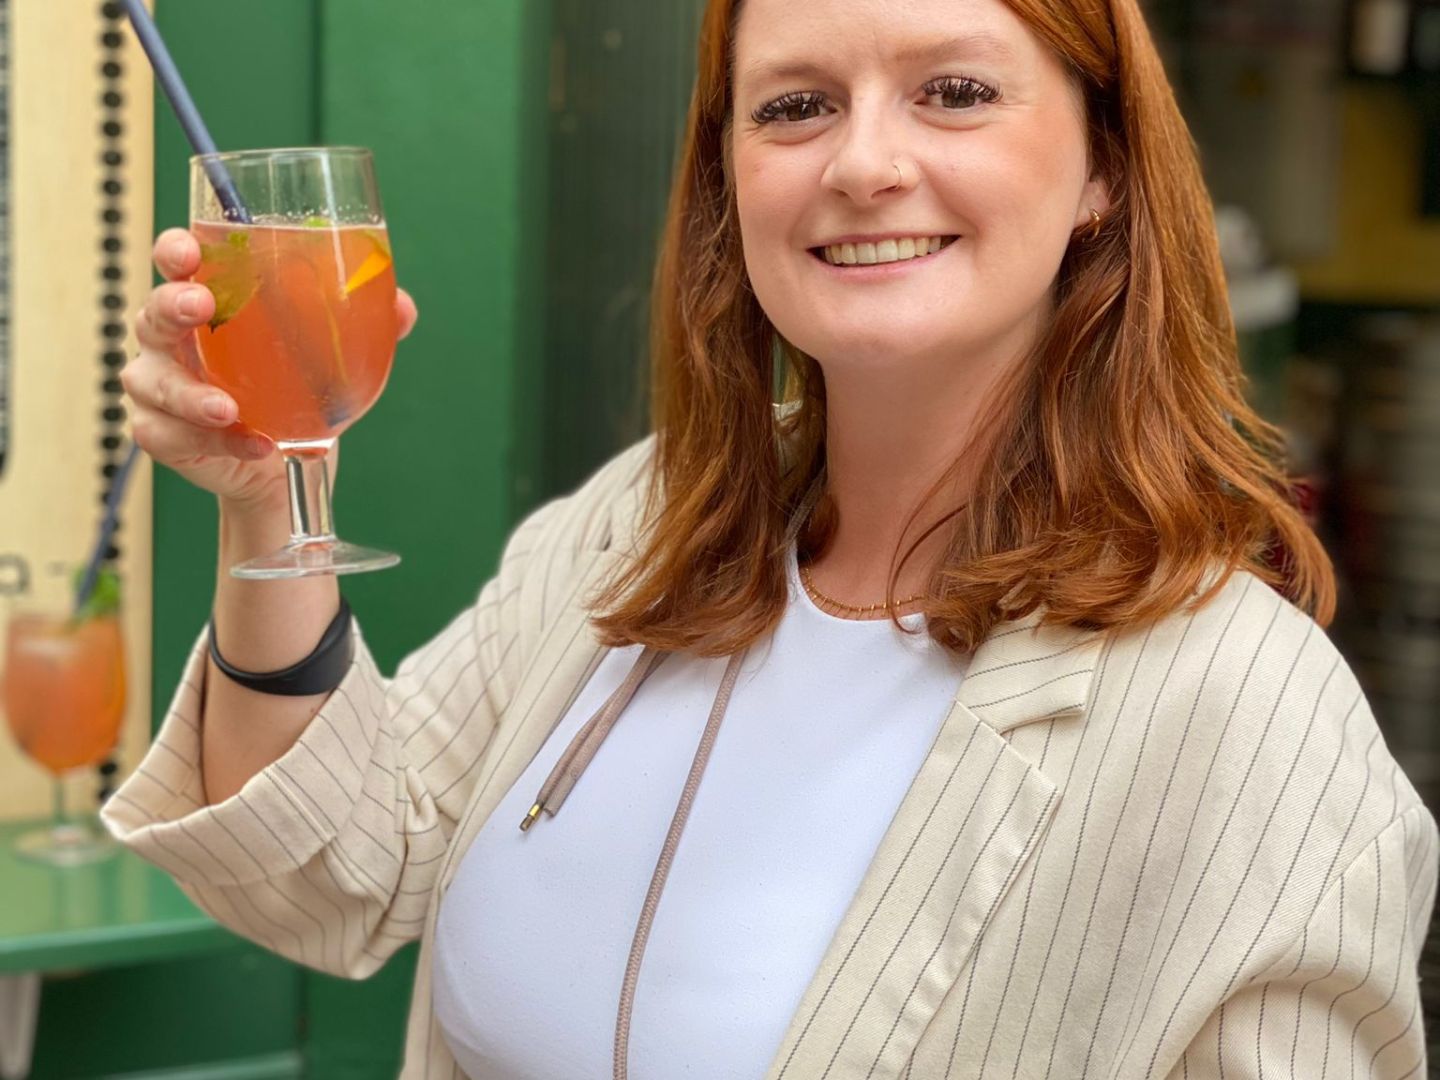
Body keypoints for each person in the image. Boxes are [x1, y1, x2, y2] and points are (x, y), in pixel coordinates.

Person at [107, 0, 1438, 1075]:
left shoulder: (1248, 715)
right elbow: (331, 874)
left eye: (955, 91)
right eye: (795, 106)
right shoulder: (635, 524)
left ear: (1103, 163)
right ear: (729, 179)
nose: (863, 163)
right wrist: (262, 492)